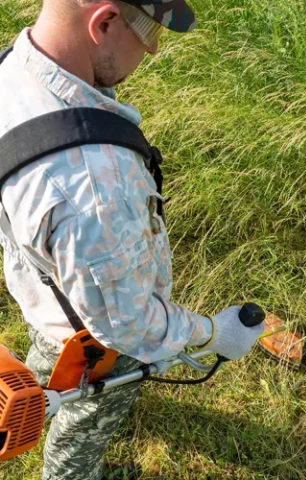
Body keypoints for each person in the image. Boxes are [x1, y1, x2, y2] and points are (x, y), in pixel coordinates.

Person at [0, 1, 264, 479]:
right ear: (103, 22)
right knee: (88, 419)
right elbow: (127, 325)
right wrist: (213, 334)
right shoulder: (93, 186)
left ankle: (37, 399)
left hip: (46, 300)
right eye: (149, 33)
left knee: (49, 369)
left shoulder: (11, 70)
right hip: (96, 337)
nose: (155, 48)